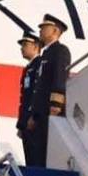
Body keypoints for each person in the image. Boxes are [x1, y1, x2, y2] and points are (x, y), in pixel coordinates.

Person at [24, 14, 71, 167]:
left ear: (55, 31)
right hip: (40, 113)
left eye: (44, 28)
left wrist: (55, 106)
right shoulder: (46, 54)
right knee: (35, 154)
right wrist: (34, 114)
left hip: (49, 111)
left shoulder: (60, 51)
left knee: (43, 155)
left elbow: (59, 78)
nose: (40, 31)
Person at [15, 31, 41, 161]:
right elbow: (24, 99)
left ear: (35, 46)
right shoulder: (28, 68)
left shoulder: (39, 65)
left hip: (32, 121)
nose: (22, 48)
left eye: (25, 44)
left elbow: (36, 94)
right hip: (26, 121)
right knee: (29, 157)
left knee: (35, 157)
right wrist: (21, 124)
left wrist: (32, 117)